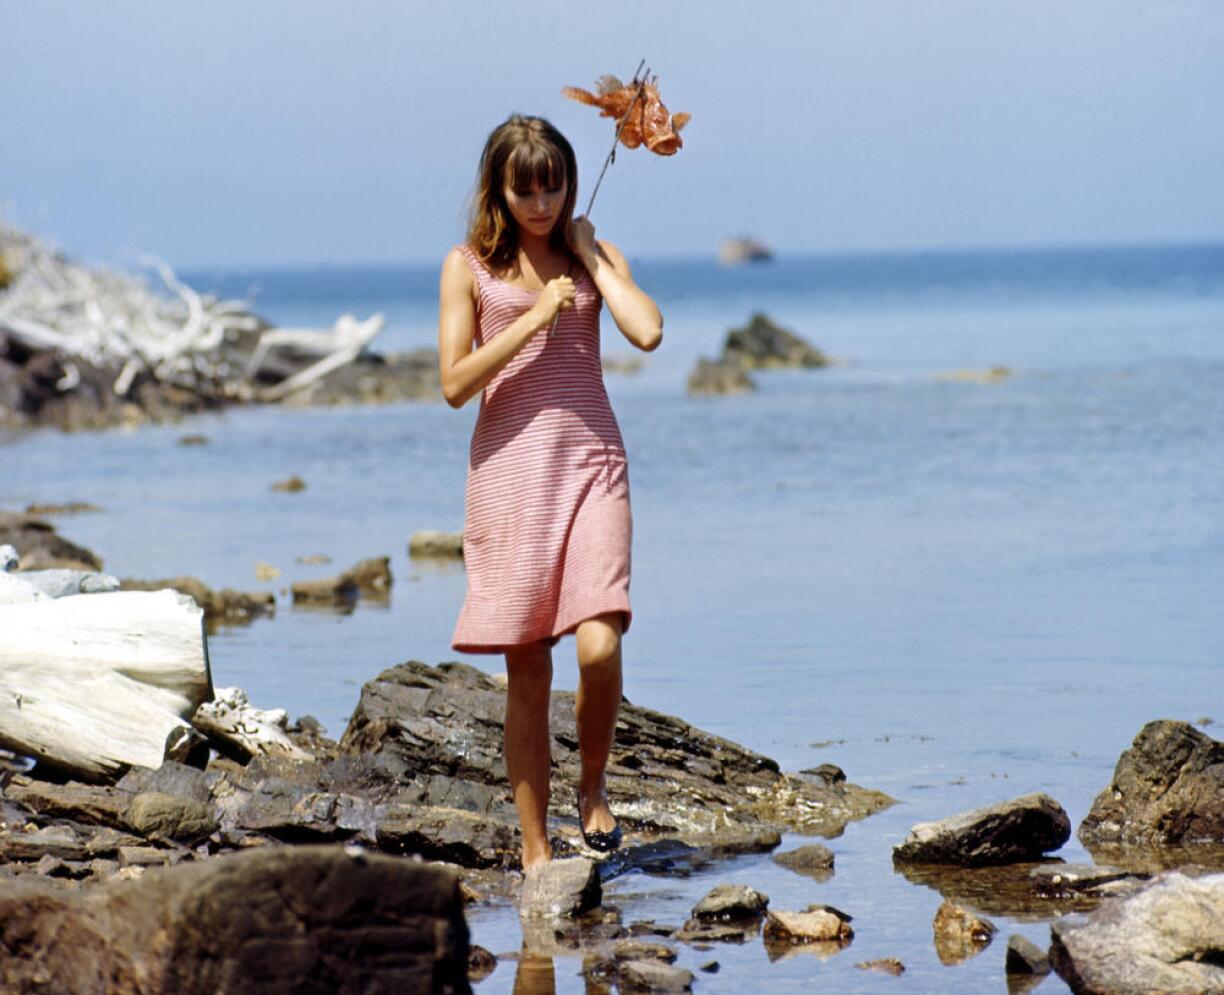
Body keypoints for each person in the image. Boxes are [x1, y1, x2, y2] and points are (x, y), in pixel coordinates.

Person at [437, 114, 662, 871]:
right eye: (525, 189)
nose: (542, 203)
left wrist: (593, 256)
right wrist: (533, 317)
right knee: (528, 667)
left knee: (600, 644)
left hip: (594, 462)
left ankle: (592, 788)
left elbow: (648, 330)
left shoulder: (589, 253)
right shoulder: (467, 265)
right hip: (510, 477)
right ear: (499, 189)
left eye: (554, 185)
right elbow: (454, 384)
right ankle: (535, 849)